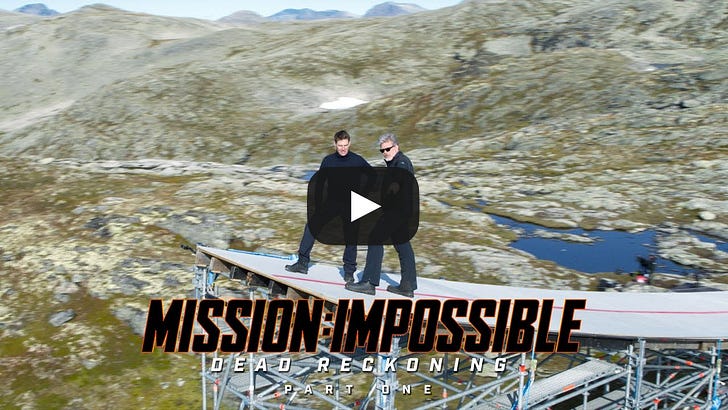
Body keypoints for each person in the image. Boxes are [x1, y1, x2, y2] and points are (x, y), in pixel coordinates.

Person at [285, 130, 370, 283]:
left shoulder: (358, 160)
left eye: (345, 145)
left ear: (349, 143)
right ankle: (302, 263)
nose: (343, 148)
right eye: (340, 145)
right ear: (334, 144)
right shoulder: (328, 161)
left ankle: (349, 272)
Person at [346, 133, 417, 297]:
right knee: (403, 245)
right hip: (402, 211)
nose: (385, 153)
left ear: (396, 147)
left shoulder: (401, 162)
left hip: (397, 211)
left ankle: (369, 282)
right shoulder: (394, 163)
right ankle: (408, 285)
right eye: (382, 150)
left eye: (388, 149)